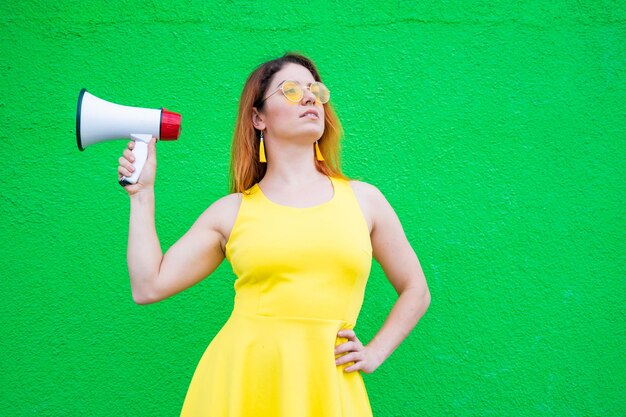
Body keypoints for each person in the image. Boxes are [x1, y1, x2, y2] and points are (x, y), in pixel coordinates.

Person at [118, 52, 431, 416]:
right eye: (292, 91)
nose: (311, 97)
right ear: (258, 117)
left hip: (327, 388)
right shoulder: (232, 211)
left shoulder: (365, 200)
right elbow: (148, 286)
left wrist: (375, 352)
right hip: (240, 385)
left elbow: (416, 289)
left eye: (315, 90)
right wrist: (142, 196)